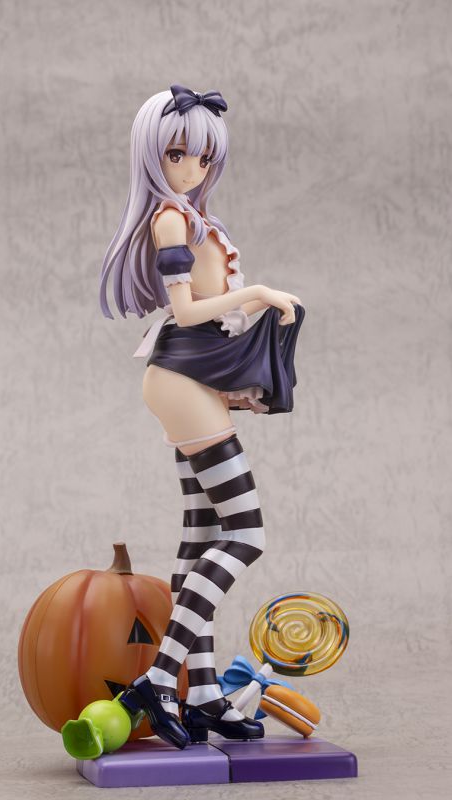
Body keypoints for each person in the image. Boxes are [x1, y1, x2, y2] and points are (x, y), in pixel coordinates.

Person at [99, 84, 305, 749]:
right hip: (181, 378)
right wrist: (258, 292)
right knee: (245, 532)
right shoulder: (170, 220)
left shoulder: (192, 216)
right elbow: (187, 312)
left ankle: (206, 693)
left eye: (202, 156)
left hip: (193, 379)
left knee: (203, 533)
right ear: (152, 155)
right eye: (176, 154)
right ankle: (161, 677)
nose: (191, 167)